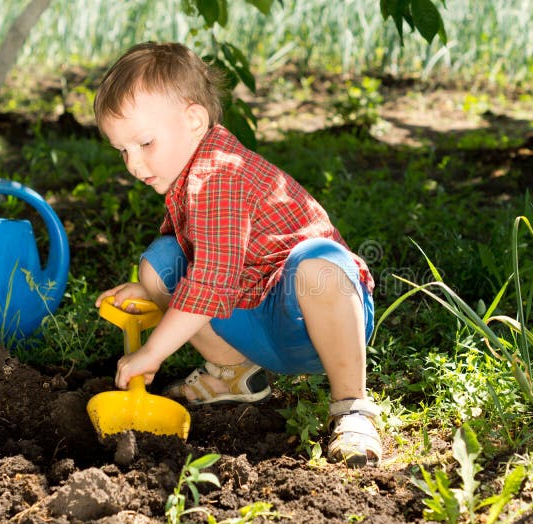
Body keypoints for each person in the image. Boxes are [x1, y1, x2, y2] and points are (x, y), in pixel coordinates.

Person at [92, 42, 381, 467]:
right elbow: (208, 265)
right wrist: (149, 287)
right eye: (123, 151)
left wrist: (152, 352)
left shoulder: (220, 176)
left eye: (145, 143)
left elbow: (211, 282)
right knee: (161, 264)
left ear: (193, 120)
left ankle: (352, 406)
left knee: (320, 265)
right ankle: (235, 374)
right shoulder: (189, 175)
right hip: (256, 312)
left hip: (312, 319)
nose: (134, 165)